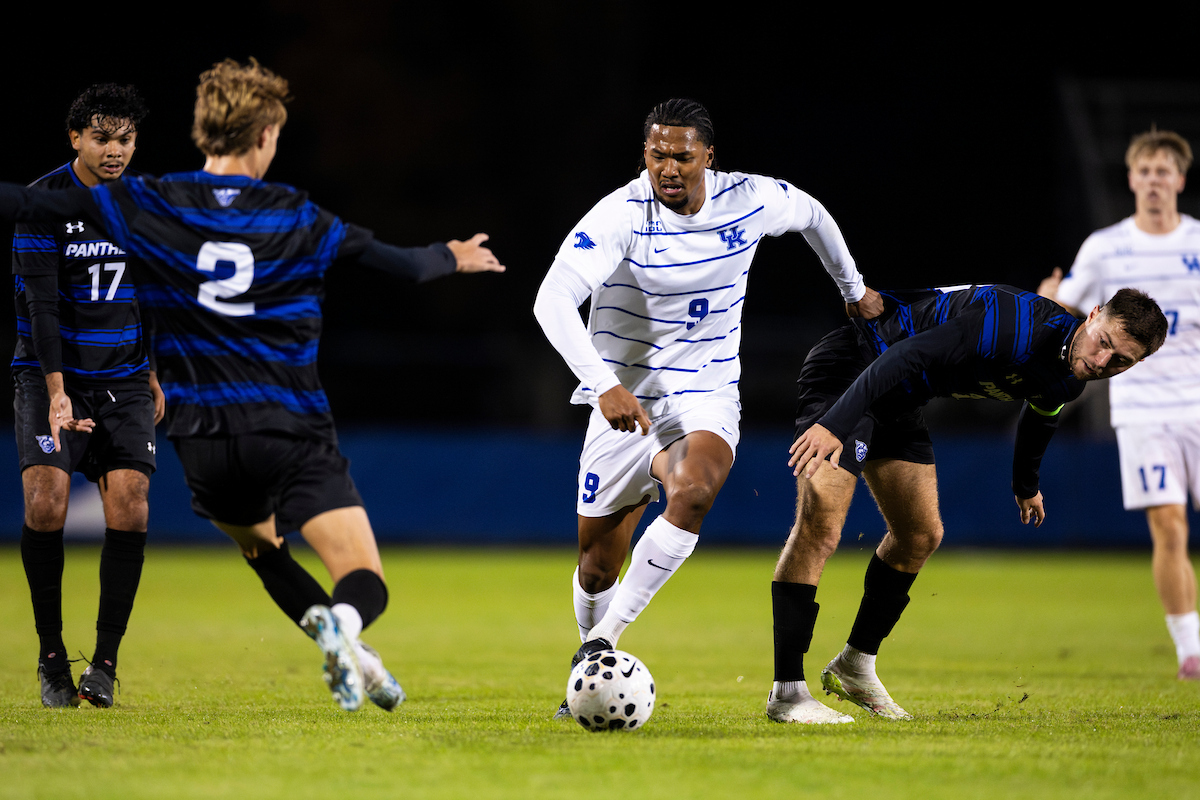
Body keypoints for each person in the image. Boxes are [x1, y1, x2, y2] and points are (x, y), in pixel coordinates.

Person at [1, 58, 505, 712]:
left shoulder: (149, 201)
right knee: (364, 580)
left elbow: (33, 202)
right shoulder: (294, 214)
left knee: (264, 551)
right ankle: (343, 628)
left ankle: (338, 646)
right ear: (266, 134)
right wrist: (452, 256)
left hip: (206, 443)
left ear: (204, 130)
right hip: (288, 427)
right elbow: (402, 266)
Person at [533, 98, 883, 717]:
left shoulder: (748, 199)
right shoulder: (619, 214)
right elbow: (552, 300)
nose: (668, 167)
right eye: (657, 154)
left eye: (682, 156)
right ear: (645, 154)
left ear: (708, 157)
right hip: (624, 394)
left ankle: (599, 648)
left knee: (693, 489)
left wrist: (852, 290)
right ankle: (591, 636)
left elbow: (813, 214)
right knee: (594, 569)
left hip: (705, 387)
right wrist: (603, 382)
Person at [768, 283, 1168, 724]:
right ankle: (788, 691)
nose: (1101, 362)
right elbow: (904, 355)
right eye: (1104, 343)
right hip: (854, 368)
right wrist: (835, 422)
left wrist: (1025, 484)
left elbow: (1042, 412)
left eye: (1121, 362)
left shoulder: (1072, 375)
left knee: (920, 536)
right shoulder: (1011, 326)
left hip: (900, 397)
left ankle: (855, 665)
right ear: (1092, 316)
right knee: (822, 525)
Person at [12, 83, 163, 708]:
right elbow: (41, 307)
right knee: (46, 504)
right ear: (75, 137)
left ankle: (103, 664)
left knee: (131, 504)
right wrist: (56, 392)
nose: (115, 150)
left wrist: (152, 371)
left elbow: (152, 294)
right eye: (102, 137)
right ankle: (51, 659)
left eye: (125, 138)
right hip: (52, 373)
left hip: (125, 377)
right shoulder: (41, 203)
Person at [1038, 129, 1200, 681]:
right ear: (1132, 179)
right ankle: (1191, 652)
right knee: (1170, 527)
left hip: (1198, 402)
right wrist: (1050, 297)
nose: (1155, 181)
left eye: (1164, 171)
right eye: (1145, 171)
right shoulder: (1107, 247)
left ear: (1179, 179)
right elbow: (1071, 311)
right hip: (1142, 410)